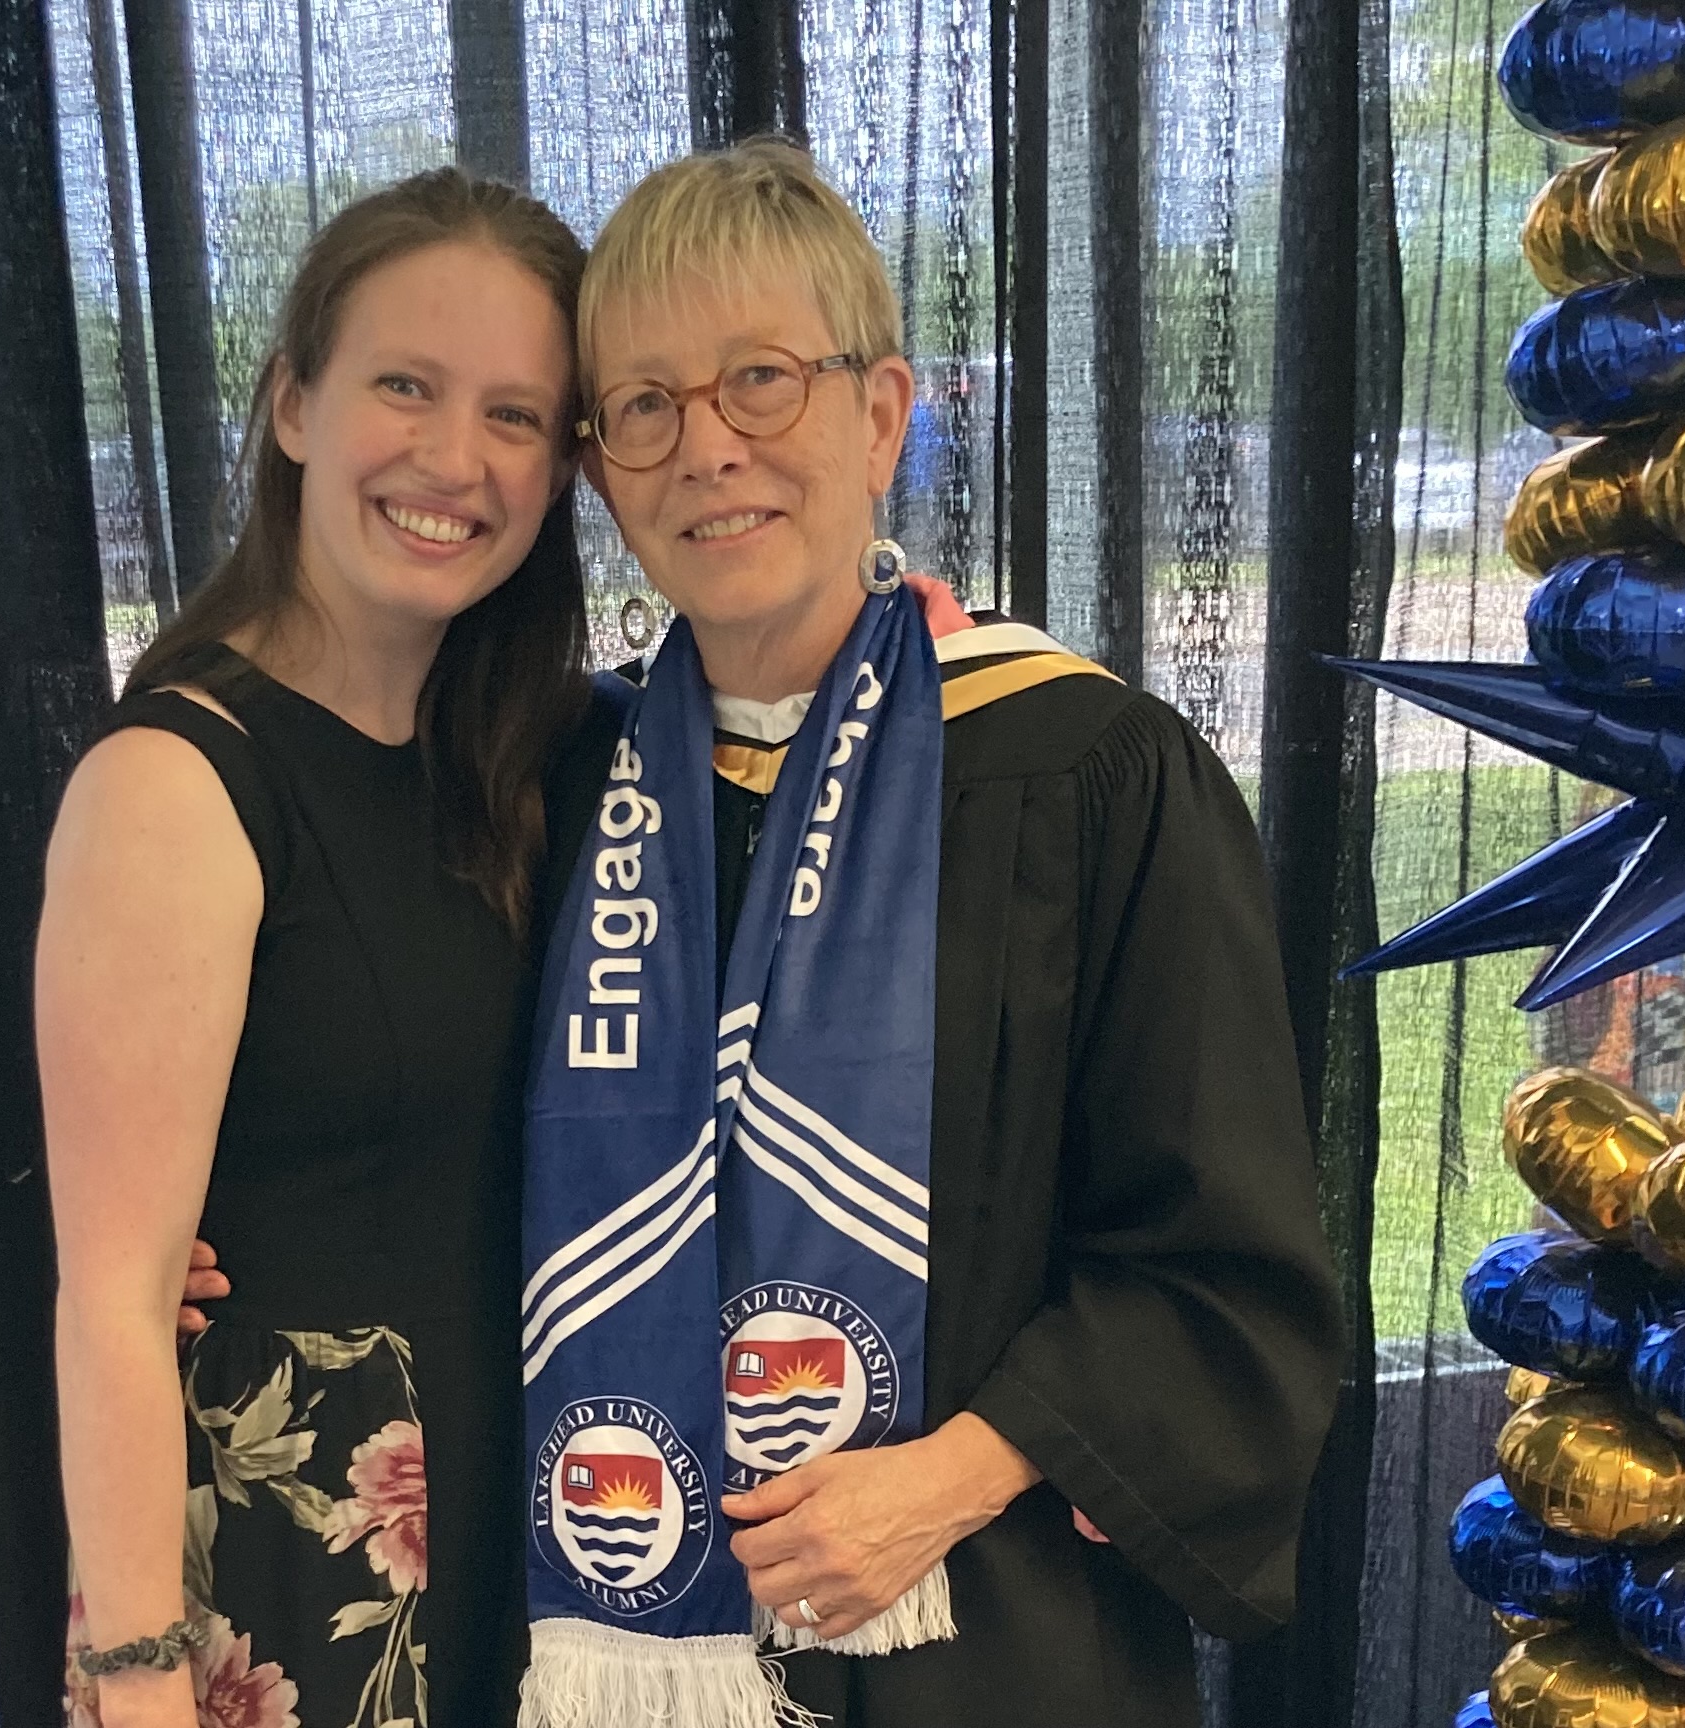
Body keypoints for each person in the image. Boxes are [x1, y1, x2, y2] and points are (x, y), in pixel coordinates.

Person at [518, 139, 1346, 1727]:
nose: (707, 449)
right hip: (623, 1654)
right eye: (643, 408)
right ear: (603, 470)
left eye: (761, 381)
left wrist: (948, 1479)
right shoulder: (564, 797)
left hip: (996, 1646)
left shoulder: (1085, 773)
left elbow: (1224, 1273)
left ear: (881, 413)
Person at [36, 167, 591, 1728]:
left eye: (514, 415)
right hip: (290, 1594)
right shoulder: (175, 787)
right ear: (293, 403)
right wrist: (138, 1686)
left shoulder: (523, 759)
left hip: (520, 1550)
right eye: (404, 386)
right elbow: (116, 1309)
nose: (452, 458)